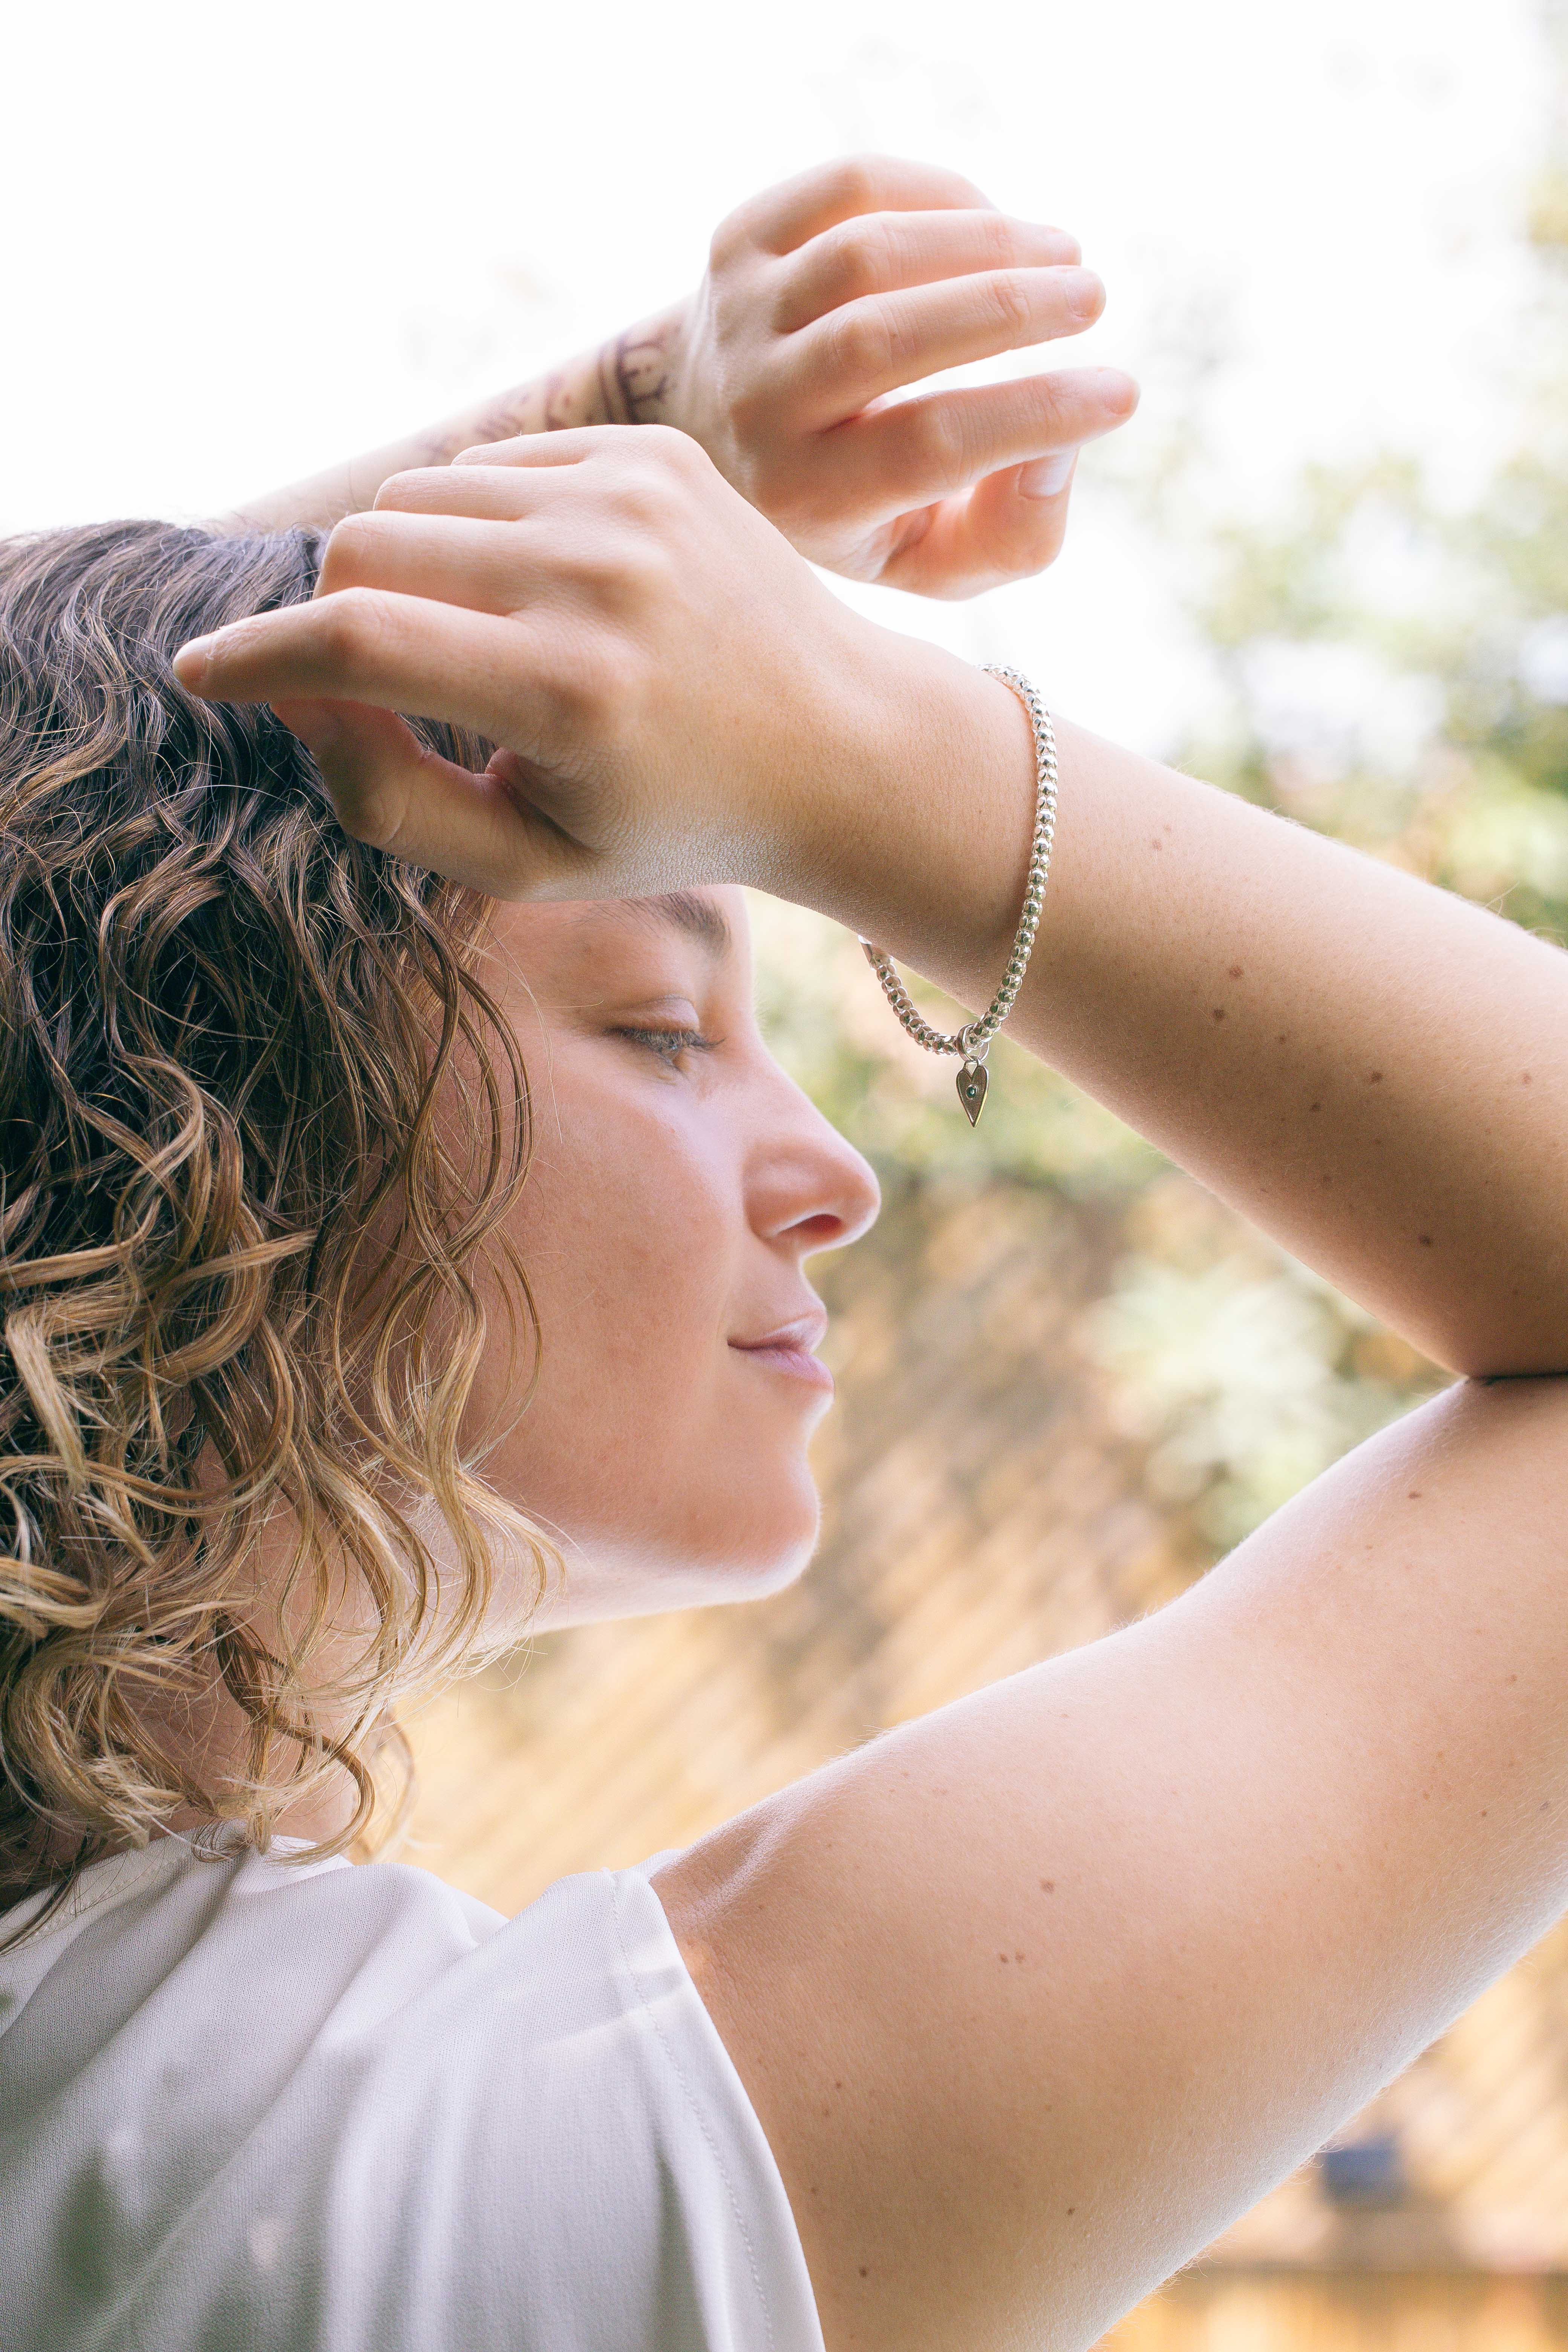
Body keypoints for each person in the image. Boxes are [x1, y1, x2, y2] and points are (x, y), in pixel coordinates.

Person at [1, 153, 1565, 2352]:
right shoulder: (356, 2204)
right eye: (662, 1022)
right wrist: (869, 752)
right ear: (223, 1110)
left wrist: (612, 429)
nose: (837, 1168)